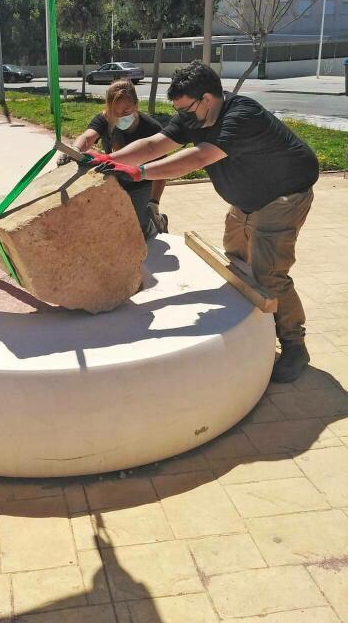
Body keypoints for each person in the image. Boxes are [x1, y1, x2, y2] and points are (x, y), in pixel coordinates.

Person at [85, 61, 319, 384]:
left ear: (207, 99)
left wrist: (140, 172)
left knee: (269, 273)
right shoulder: (194, 114)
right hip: (247, 199)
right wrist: (109, 161)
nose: (183, 115)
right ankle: (252, 324)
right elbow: (155, 146)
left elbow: (196, 158)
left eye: (187, 108)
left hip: (284, 196)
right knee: (236, 256)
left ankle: (294, 344)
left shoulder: (240, 117)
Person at [57, 79, 168, 239]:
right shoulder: (104, 119)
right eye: (116, 113)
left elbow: (161, 170)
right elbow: (88, 137)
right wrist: (74, 150)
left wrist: (154, 202)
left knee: (139, 232)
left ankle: (155, 225)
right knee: (111, 221)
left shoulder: (152, 129)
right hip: (114, 176)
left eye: (126, 112)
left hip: (142, 182)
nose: (121, 117)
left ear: (136, 105)